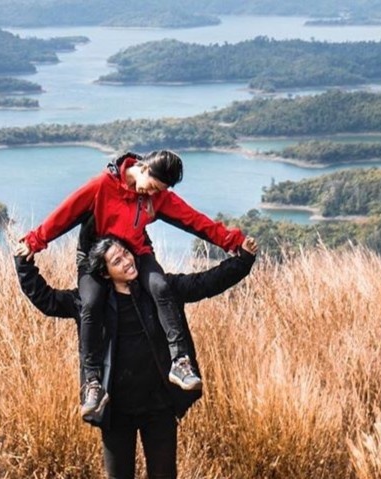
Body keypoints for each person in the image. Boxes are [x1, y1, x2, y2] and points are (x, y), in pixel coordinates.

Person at [14, 235, 258, 479]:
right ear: (105, 272)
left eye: (126, 253)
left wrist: (243, 260)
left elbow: (207, 283)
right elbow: (46, 300)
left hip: (159, 408)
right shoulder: (91, 302)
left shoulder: (160, 291)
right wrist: (24, 263)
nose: (126, 260)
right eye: (116, 259)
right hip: (117, 412)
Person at [13, 150, 246, 419]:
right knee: (90, 303)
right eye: (153, 186)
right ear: (144, 168)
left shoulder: (157, 196)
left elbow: (194, 221)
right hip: (95, 259)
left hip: (135, 254)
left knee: (160, 287)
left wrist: (232, 242)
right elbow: (64, 214)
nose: (152, 193)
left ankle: (180, 362)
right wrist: (33, 242)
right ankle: (92, 383)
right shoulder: (102, 186)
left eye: (159, 190)